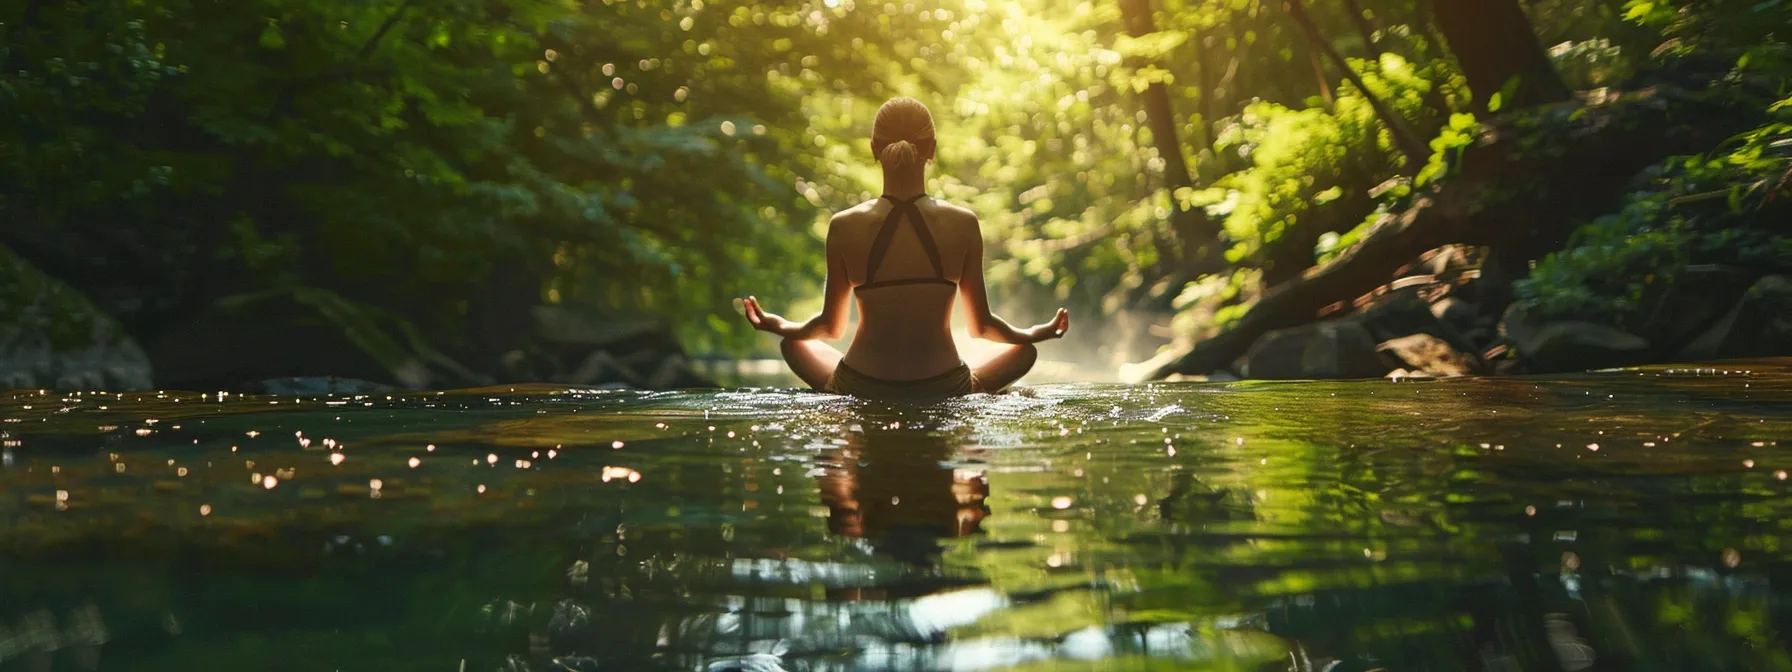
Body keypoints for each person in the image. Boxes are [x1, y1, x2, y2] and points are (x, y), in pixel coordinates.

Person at [740, 97, 1069, 402]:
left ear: (874, 149)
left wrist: (779, 325)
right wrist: (1034, 333)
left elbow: (830, 327)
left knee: (793, 345)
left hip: (861, 383)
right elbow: (981, 327)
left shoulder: (844, 226)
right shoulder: (962, 223)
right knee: (1025, 351)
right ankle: (963, 392)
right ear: (932, 150)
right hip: (942, 385)